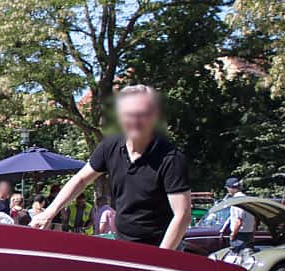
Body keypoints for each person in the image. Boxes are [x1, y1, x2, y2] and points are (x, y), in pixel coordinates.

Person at [32, 85, 191, 248]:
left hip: (161, 247)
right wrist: (50, 213)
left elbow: (182, 215)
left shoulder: (171, 159)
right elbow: (80, 180)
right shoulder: (110, 147)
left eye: (142, 114)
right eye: (130, 114)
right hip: (124, 245)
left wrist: (161, 258)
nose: (135, 120)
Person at [222, 177, 257, 249]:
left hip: (239, 236)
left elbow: (239, 221)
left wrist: (232, 236)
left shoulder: (237, 201)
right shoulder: (247, 200)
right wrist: (253, 235)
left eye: (227, 188)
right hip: (249, 234)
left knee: (237, 258)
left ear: (230, 188)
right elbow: (254, 220)